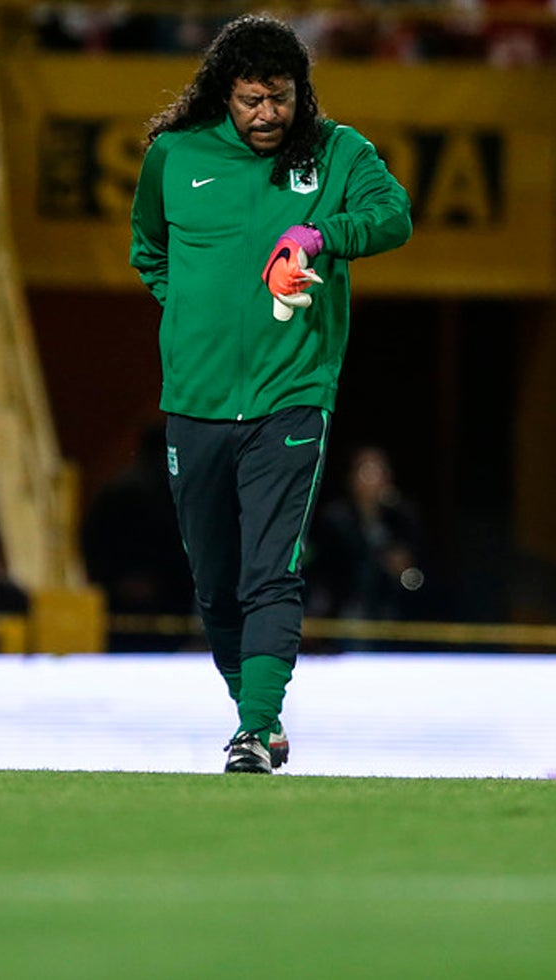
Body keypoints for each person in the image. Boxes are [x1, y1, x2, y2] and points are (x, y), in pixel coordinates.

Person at [128, 15, 413, 774]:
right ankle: (256, 715)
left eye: (280, 98)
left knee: (271, 568)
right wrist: (187, 310)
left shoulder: (337, 152)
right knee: (215, 582)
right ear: (225, 95)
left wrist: (320, 237)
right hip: (194, 398)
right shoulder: (173, 157)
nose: (266, 115)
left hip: (293, 394)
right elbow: (147, 249)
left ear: (300, 93)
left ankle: (256, 727)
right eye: (252, 99)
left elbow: (394, 218)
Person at [80, 422, 194, 650]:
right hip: (157, 601)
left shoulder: (118, 489)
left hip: (125, 603)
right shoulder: (161, 489)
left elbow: (92, 543)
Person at [305, 445, 429, 623]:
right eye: (366, 470)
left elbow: (416, 573)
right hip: (345, 614)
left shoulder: (400, 517)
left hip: (390, 613)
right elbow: (322, 570)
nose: (373, 478)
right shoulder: (334, 519)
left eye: (379, 470)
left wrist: (405, 569)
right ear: (351, 477)